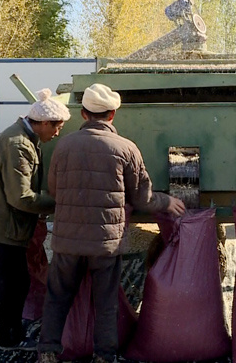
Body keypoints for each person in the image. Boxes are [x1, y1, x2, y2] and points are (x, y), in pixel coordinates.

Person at [37, 83, 186, 363]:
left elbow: (55, 191)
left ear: (82, 114)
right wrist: (167, 202)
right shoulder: (126, 148)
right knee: (105, 302)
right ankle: (104, 356)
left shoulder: (64, 145)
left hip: (67, 240)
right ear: (112, 115)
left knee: (57, 297)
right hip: (106, 243)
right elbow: (142, 199)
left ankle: (47, 351)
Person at [0, 89, 71, 363]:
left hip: (10, 229)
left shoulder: (26, 138)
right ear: (43, 123)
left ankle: (10, 337)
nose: (57, 133)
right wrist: (57, 204)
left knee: (18, 284)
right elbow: (21, 197)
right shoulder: (17, 144)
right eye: (57, 126)